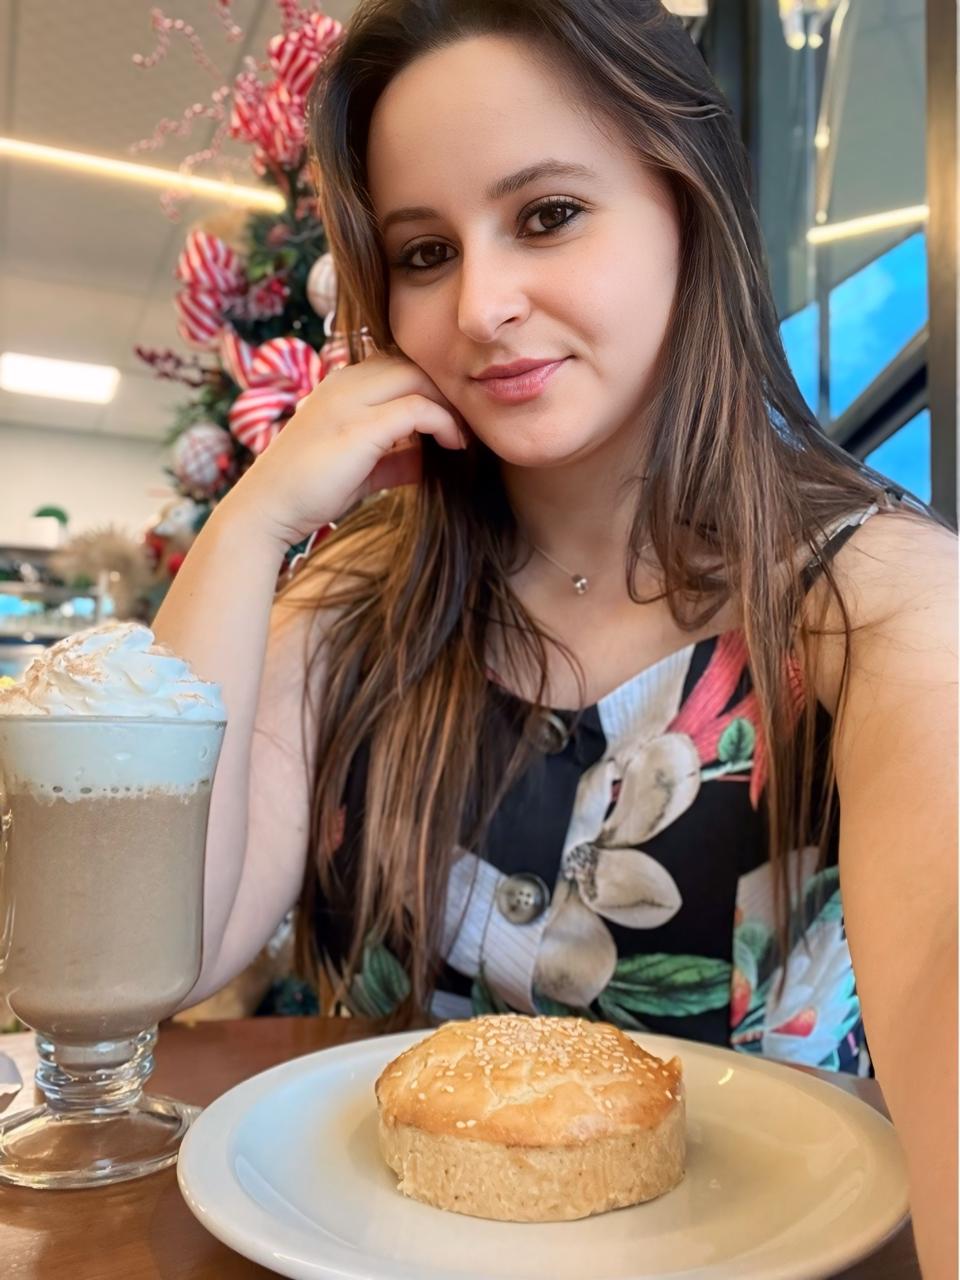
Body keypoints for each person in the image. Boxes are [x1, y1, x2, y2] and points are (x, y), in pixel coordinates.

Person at [154, 1, 956, 1270]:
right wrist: (252, 524)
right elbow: (159, 951)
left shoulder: (880, 600)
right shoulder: (355, 602)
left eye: (547, 215)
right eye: (425, 252)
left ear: (688, 209)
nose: (482, 307)